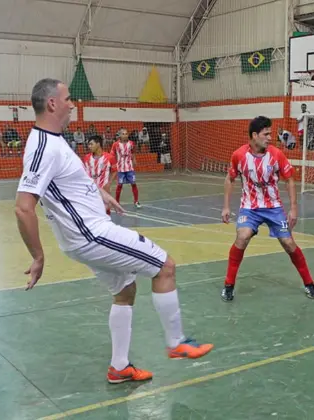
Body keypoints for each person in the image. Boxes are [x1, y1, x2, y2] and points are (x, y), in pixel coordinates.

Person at [15, 78, 213, 384]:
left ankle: (119, 367)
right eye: (68, 99)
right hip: (90, 234)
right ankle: (177, 342)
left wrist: (99, 194)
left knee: (125, 290)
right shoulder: (43, 147)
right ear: (52, 103)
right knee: (165, 267)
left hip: (84, 234)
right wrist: (38, 256)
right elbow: (24, 206)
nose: (72, 104)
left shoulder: (52, 140)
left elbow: (68, 183)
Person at [220, 116, 314, 302]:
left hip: (274, 208)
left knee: (289, 243)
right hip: (249, 208)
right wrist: (226, 207)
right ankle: (228, 285)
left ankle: (309, 283)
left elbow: (289, 179)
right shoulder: (239, 155)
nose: (270, 137)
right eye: (266, 134)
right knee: (242, 237)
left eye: (270, 134)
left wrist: (293, 209)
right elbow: (229, 178)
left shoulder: (276, 155)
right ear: (254, 135)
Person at [83, 135, 114, 215]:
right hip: (90, 191)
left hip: (104, 190)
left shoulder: (109, 157)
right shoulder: (86, 158)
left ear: (98, 144)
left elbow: (115, 170)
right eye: (88, 144)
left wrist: (109, 183)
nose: (89, 146)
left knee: (106, 213)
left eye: (91, 144)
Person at [111, 128, 140, 208]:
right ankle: (117, 202)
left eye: (126, 133)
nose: (125, 135)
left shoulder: (131, 143)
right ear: (120, 135)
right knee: (119, 185)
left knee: (133, 184)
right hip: (120, 168)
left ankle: (136, 201)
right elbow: (112, 155)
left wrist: (134, 160)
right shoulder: (115, 144)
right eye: (123, 134)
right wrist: (113, 164)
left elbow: (133, 152)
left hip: (130, 167)